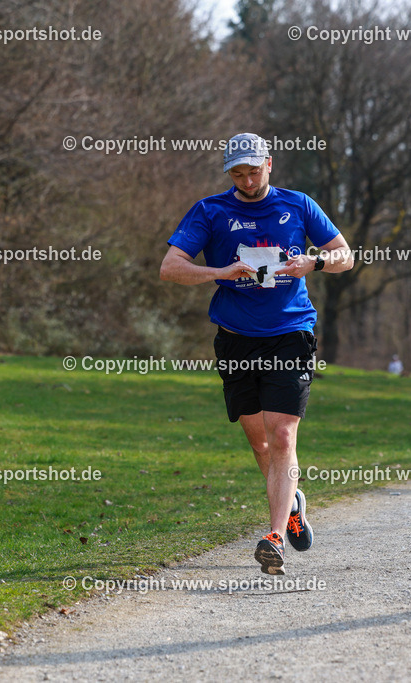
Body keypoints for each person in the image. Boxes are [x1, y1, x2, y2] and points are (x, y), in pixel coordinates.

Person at [160, 132, 353, 574]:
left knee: (283, 435)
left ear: (270, 164)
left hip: (290, 331)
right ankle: (293, 502)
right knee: (260, 440)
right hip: (236, 337)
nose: (247, 181)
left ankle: (275, 538)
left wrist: (315, 263)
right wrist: (219, 271)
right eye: (237, 174)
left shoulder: (299, 204)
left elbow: (345, 255)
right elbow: (170, 267)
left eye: (253, 171)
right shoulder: (211, 210)